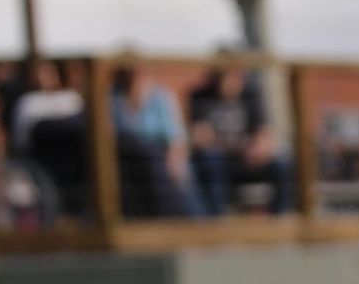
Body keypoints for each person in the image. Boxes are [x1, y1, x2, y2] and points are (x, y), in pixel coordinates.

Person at [187, 66, 292, 215]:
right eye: (232, 75)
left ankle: (278, 220)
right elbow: (201, 138)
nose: (237, 80)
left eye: (240, 75)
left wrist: (257, 149)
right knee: (209, 159)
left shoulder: (251, 94)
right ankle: (216, 224)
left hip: (247, 161)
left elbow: (264, 134)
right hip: (220, 163)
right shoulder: (200, 96)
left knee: (282, 163)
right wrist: (240, 146)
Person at [111, 65, 204, 218]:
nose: (137, 76)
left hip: (161, 158)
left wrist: (174, 161)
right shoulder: (114, 100)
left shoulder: (161, 97)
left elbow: (176, 139)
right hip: (130, 161)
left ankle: (196, 222)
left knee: (178, 175)